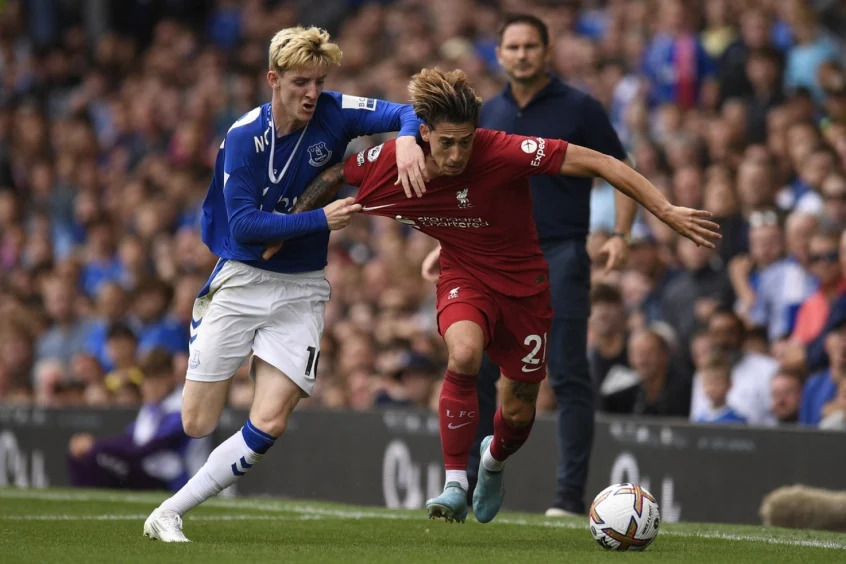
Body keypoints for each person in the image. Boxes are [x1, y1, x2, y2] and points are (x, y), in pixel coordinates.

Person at [265, 67, 720, 524]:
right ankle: (454, 483)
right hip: (465, 277)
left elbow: (601, 160)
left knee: (519, 413)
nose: (458, 152)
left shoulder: (501, 149)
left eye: (466, 140)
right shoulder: (392, 162)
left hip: (525, 290)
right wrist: (285, 230)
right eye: (447, 142)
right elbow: (333, 175)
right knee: (463, 355)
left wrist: (663, 209)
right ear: (423, 133)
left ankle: (492, 463)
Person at [143, 25, 427, 543]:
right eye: (300, 82)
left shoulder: (336, 110)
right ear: (273, 79)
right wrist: (322, 221)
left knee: (271, 421)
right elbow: (247, 226)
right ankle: (207, 325)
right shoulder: (243, 137)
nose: (312, 93)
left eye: (319, 81)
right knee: (196, 424)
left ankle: (169, 512)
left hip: (301, 287)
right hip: (242, 279)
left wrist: (406, 140)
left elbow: (408, 110)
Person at [444, 12, 639, 517]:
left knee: (569, 375)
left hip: (561, 253)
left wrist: (621, 234)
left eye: (531, 46)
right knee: (479, 368)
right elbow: (463, 187)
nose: (522, 54)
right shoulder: (486, 113)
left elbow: (620, 168)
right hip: (492, 257)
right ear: (500, 54)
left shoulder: (579, 107)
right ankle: (463, 483)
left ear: (545, 52)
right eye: (513, 46)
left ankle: (569, 499)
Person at [67, 348, 210, 490]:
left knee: (97, 455)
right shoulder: (152, 405)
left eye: (154, 379)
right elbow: (130, 439)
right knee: (85, 456)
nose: (147, 386)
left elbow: (147, 448)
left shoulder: (182, 405)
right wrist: (92, 445)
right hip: (150, 473)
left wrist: (95, 446)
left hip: (178, 481)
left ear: (169, 377)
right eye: (146, 379)